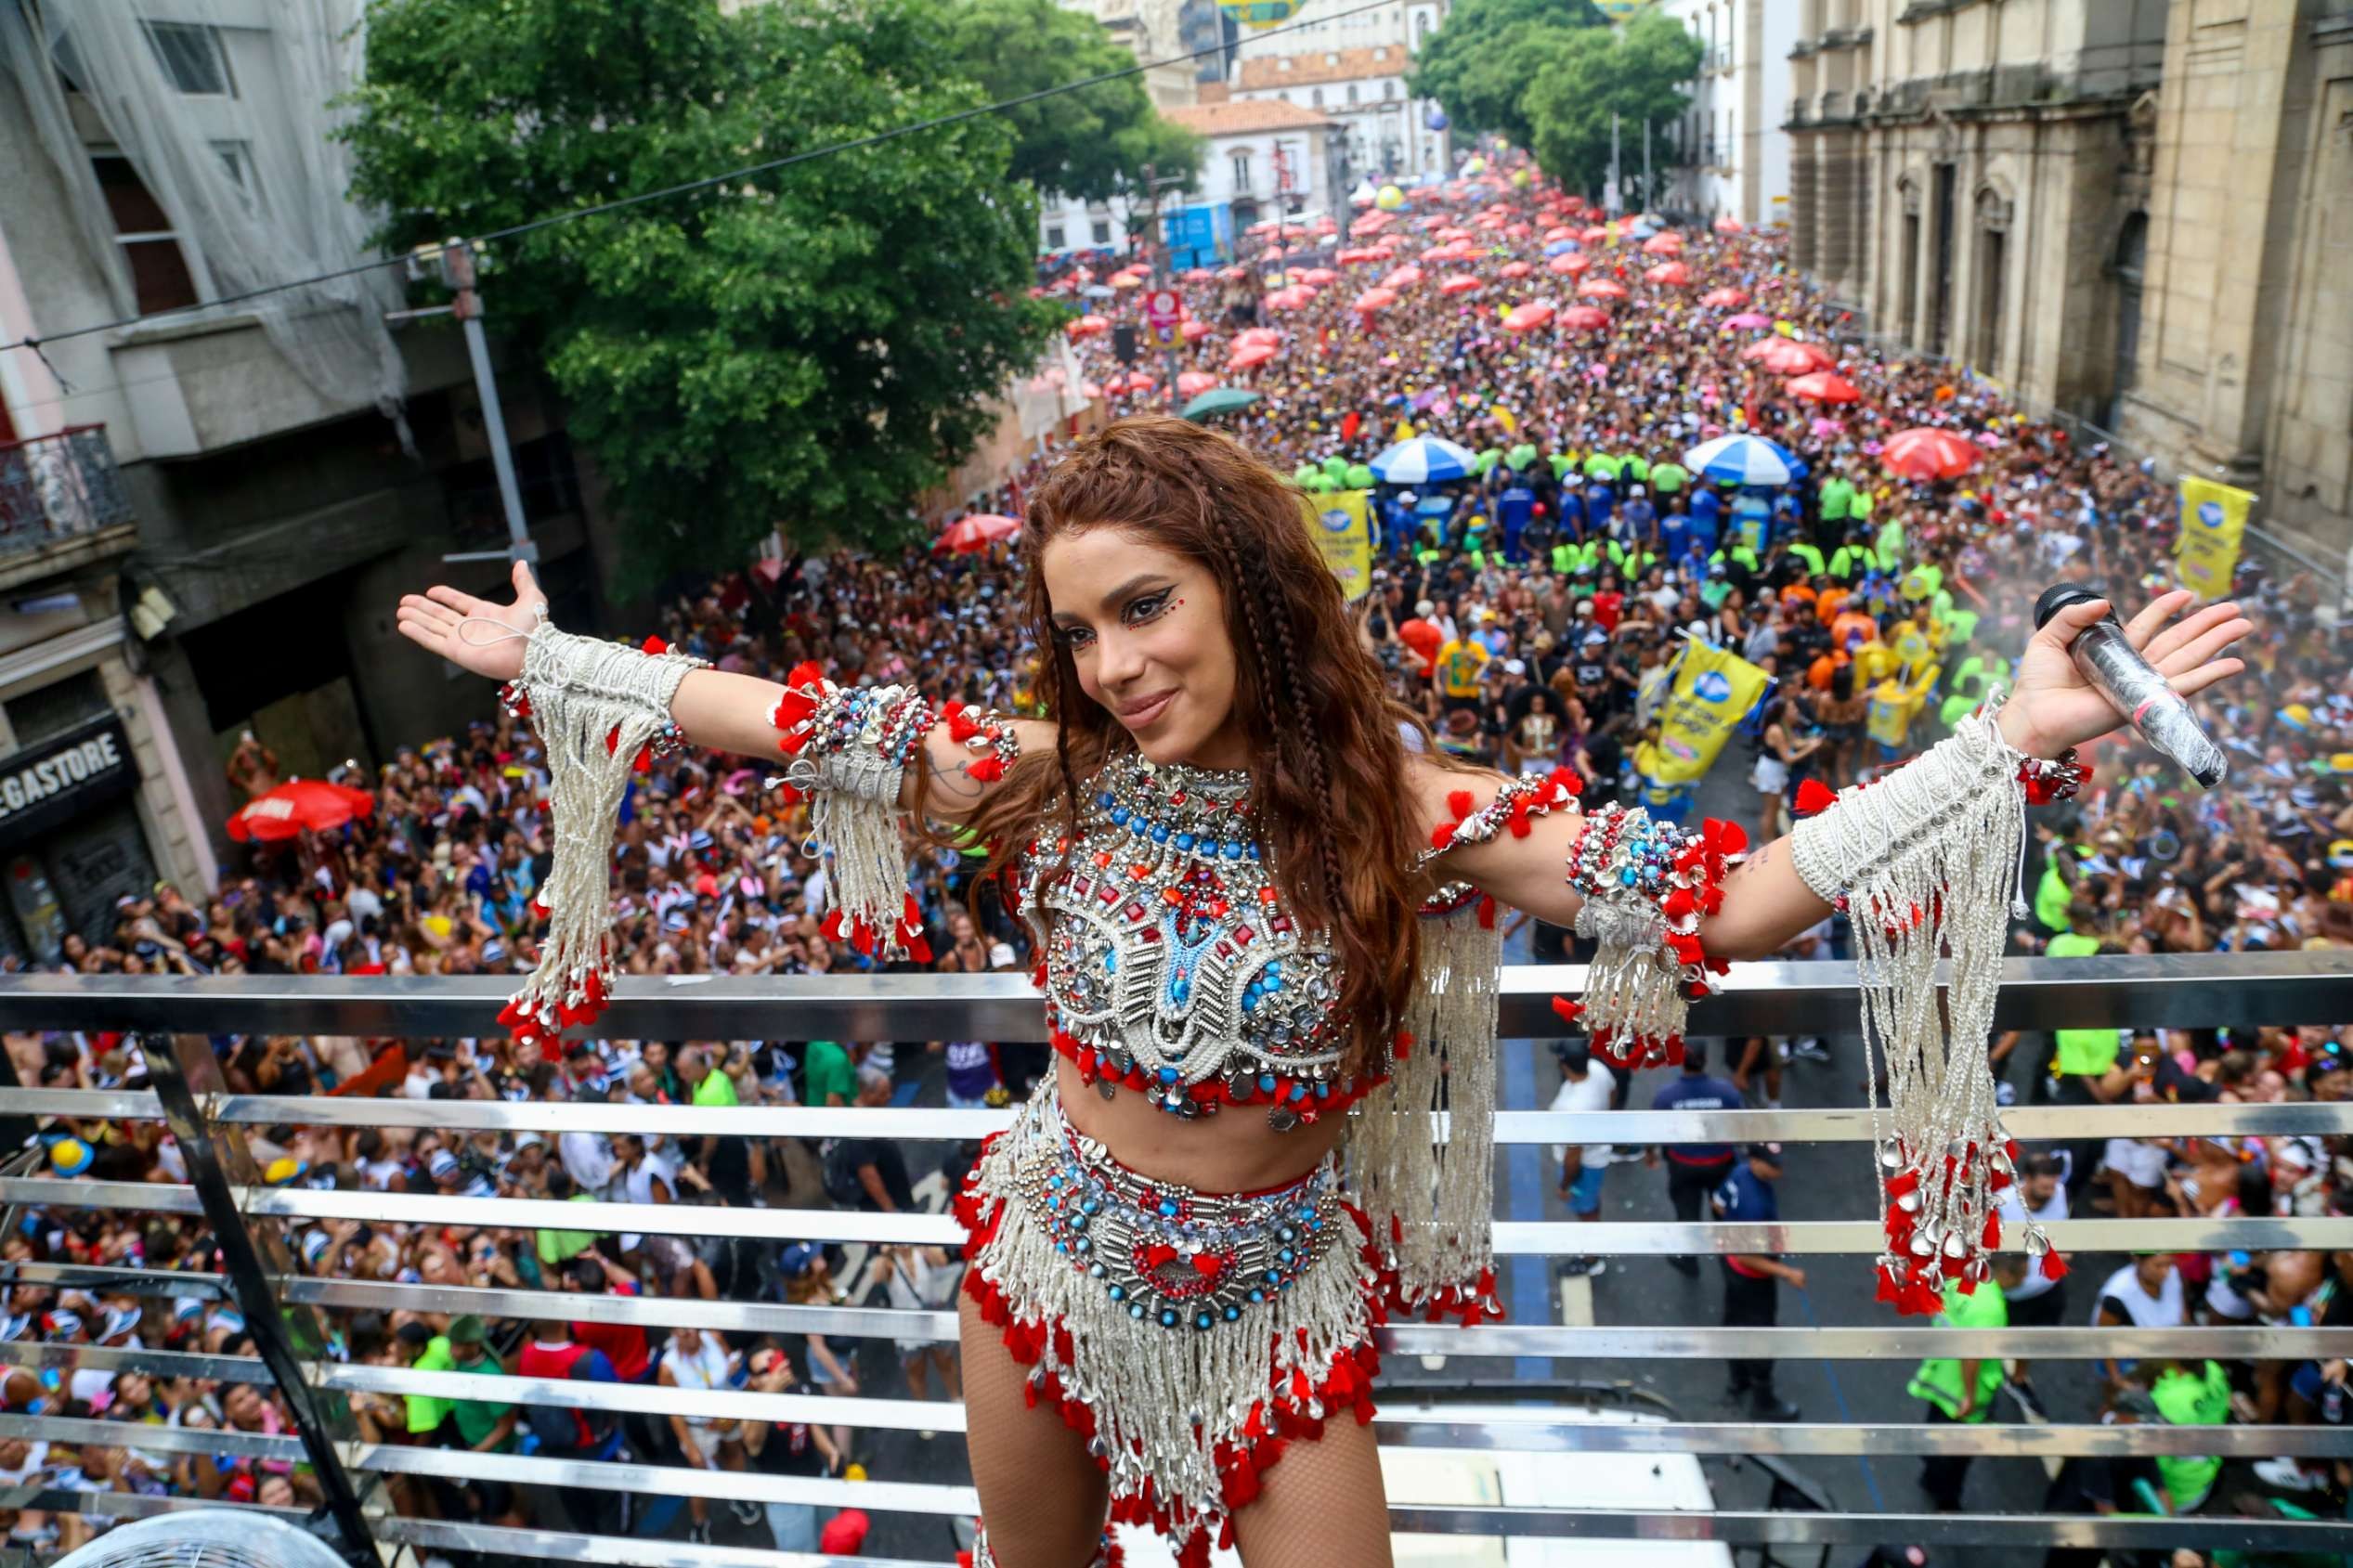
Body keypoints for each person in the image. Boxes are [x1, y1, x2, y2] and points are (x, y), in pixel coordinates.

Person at [400, 414, 2247, 1568]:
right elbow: (779, 717)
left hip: (1283, 1311)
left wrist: (1997, 737)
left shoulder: (1410, 812)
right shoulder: (1041, 772)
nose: (1111, 663)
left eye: (1145, 608)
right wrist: (546, 652)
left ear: (1244, 591)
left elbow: (1731, 898)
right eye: (1075, 631)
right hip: (1035, 1258)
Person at [1906, 1260, 2019, 1512]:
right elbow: (1972, 1355)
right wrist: (1969, 1395)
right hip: (1964, 1391)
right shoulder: (1990, 1308)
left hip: (1940, 1373)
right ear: (2009, 1273)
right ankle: (1946, 1501)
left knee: (1937, 1427)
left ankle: (1930, 1471)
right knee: (1957, 1454)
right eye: (2024, 1273)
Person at [1714, 1143, 1803, 1420]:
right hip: (1753, 1277)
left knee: (1733, 1320)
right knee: (1762, 1334)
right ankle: (1763, 1401)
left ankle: (1737, 1379)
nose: (1779, 1169)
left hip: (1730, 1265)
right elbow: (1747, 1257)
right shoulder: (1755, 1204)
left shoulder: (1740, 1173)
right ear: (1755, 1161)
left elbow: (1716, 1204)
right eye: (1772, 1164)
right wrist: (1787, 1273)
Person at [1645, 1043, 1745, 1278]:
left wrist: (1650, 1153)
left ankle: (1689, 1261)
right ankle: (1731, 1264)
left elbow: (1652, 1129)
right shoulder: (1726, 1092)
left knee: (1687, 1215)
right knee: (1724, 1215)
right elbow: (1742, 1125)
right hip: (1721, 1165)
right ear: (1705, 1059)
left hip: (1684, 1166)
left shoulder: (1667, 1097)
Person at [1547, 1042, 1616, 1277]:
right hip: (1597, 1150)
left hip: (1586, 1166)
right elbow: (1612, 1094)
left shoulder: (1573, 1108)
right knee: (1591, 1205)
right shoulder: (1598, 1070)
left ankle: (1591, 1259)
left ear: (1563, 1064)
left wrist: (1564, 1185)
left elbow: (1573, 1157)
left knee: (1586, 1211)